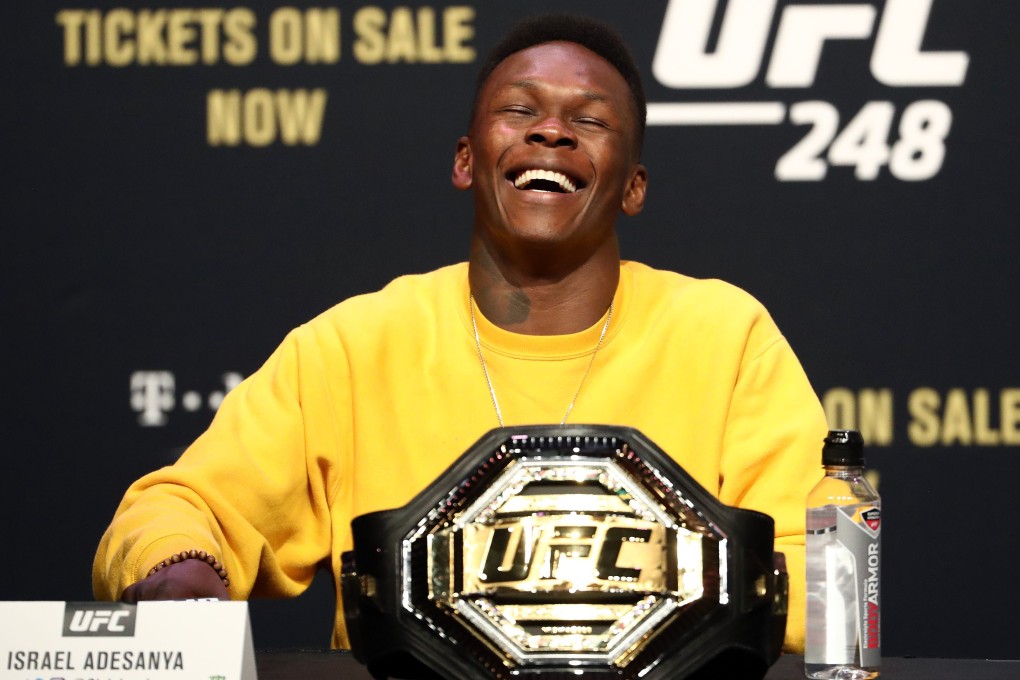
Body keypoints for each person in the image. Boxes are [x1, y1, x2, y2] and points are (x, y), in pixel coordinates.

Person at [93, 13, 828, 654]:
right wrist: (181, 573)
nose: (551, 130)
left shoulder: (725, 337)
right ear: (465, 160)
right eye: (520, 110)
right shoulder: (354, 347)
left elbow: (816, 582)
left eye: (590, 120)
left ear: (633, 186)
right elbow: (179, 509)